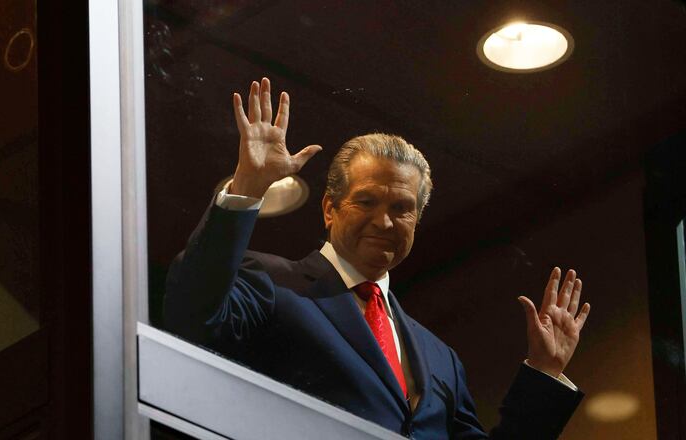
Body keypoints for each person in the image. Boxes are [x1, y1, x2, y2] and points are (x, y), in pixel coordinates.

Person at [164, 78, 591, 439]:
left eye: (401, 208)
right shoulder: (273, 284)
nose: (384, 222)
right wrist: (246, 188)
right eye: (365, 201)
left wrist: (544, 371)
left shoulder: (441, 358)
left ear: (417, 221)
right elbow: (192, 312)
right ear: (330, 209)